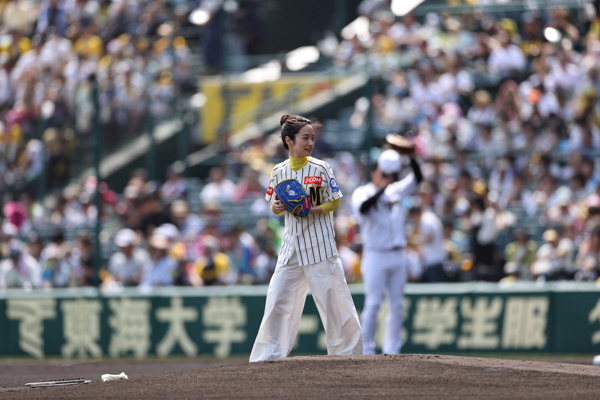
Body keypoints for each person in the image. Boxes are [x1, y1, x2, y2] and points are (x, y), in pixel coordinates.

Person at [250, 114, 363, 363]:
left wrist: (312, 209)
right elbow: (273, 204)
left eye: (312, 137)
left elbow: (335, 201)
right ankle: (268, 355)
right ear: (289, 141)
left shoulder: (321, 168)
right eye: (305, 138)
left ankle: (348, 354)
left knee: (333, 300)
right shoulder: (278, 171)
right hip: (291, 246)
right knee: (278, 298)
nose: (310, 142)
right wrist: (277, 208)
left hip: (319, 243)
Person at [351, 147, 423, 355]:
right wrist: (383, 188)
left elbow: (418, 178)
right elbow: (364, 208)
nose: (386, 178)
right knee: (373, 304)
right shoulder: (362, 192)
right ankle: (366, 349)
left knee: (397, 305)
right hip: (375, 254)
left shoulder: (395, 190)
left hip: (398, 254)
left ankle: (393, 350)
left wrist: (409, 156)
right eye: (383, 174)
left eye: (389, 175)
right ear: (374, 172)